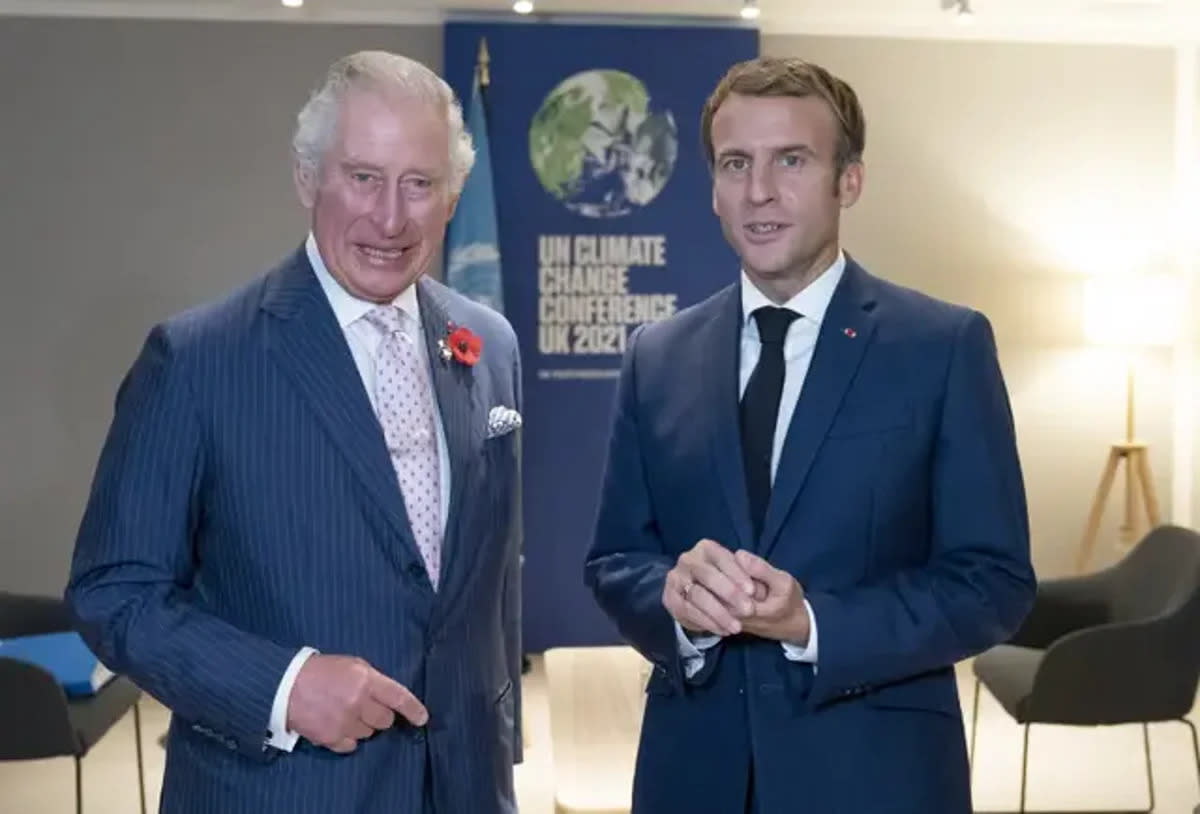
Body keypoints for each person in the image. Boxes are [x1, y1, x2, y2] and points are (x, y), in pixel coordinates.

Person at [66, 50, 522, 814]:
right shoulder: (197, 360)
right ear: (308, 178)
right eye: (363, 177)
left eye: (420, 184)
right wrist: (283, 686)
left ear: (453, 198)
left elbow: (488, 584)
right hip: (280, 792)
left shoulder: (490, 343)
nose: (390, 217)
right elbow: (114, 593)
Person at [584, 56, 1035, 813]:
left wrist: (813, 622)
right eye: (736, 164)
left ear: (847, 181)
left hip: (877, 777)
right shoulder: (656, 355)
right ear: (714, 189)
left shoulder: (943, 346)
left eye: (791, 160)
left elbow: (992, 582)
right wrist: (673, 598)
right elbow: (615, 558)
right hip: (693, 776)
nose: (759, 191)